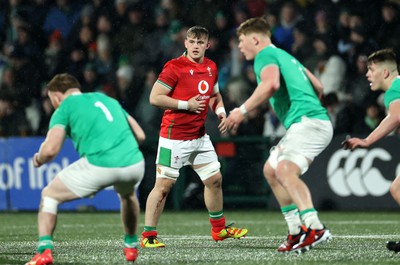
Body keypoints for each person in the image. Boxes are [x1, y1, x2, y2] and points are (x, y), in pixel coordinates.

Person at [226, 17, 333, 253]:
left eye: (242, 41)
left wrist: (241, 111)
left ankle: (315, 227)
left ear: (256, 39)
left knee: (284, 169)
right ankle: (296, 231)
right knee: (271, 170)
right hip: (310, 120)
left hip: (307, 121)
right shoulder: (286, 56)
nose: (240, 46)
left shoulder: (264, 55)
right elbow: (319, 86)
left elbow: (271, 85)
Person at [141, 26, 248, 248]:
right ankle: (148, 237)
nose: (196, 46)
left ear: (207, 45)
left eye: (201, 43)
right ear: (186, 43)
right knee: (163, 187)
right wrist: (186, 104)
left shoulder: (211, 67)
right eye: (192, 42)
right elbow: (155, 97)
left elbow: (214, 95)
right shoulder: (174, 67)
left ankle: (219, 230)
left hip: (199, 136)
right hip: (174, 137)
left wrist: (220, 112)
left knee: (214, 180)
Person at [25, 73, 146, 264]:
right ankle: (131, 246)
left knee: (49, 196)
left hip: (101, 165)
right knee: (128, 195)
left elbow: (50, 151)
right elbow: (140, 135)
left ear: (56, 96)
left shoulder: (64, 107)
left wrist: (38, 159)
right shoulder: (106, 99)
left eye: (52, 100)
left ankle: (44, 251)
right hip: (134, 164)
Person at [341, 49, 400, 253]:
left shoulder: (395, 89)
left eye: (371, 69)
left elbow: (395, 117)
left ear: (385, 73)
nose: (367, 74)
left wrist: (367, 141)